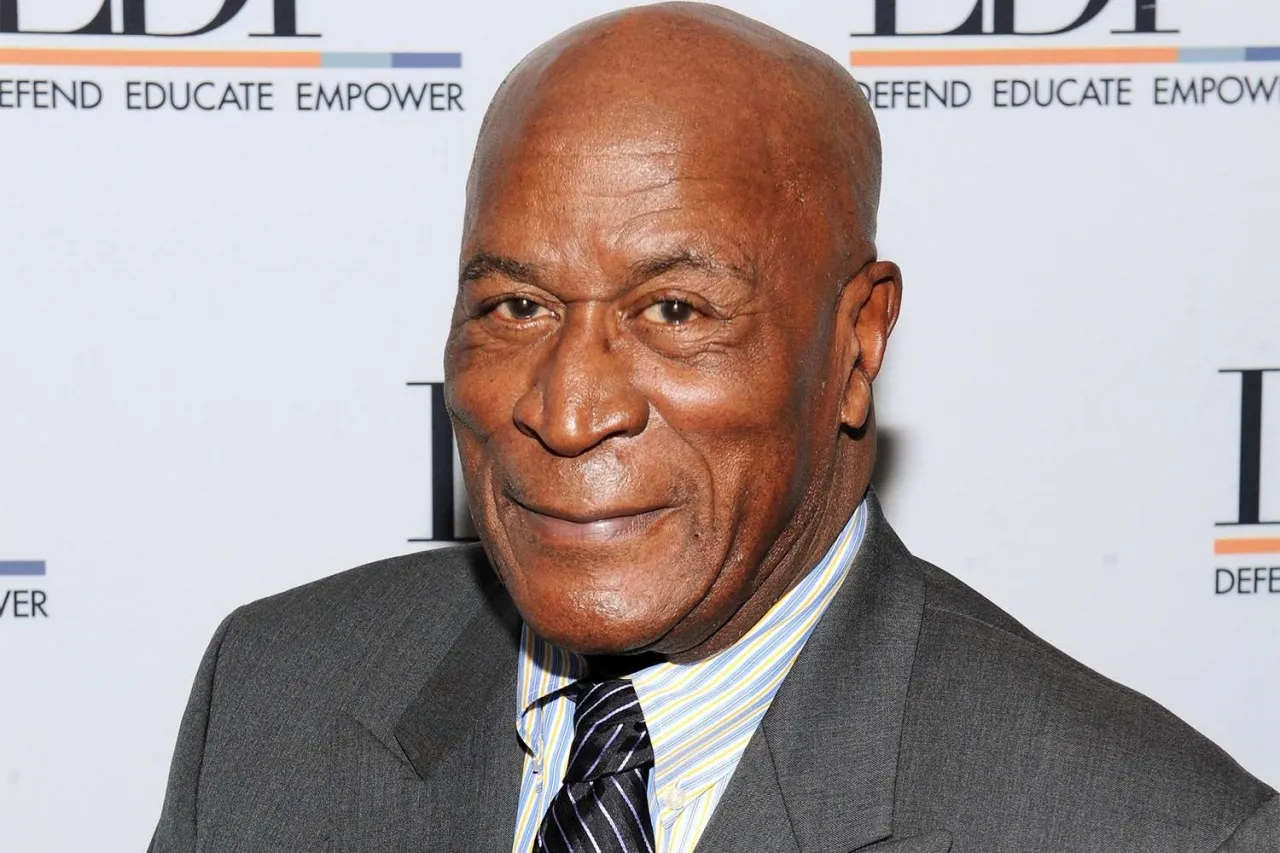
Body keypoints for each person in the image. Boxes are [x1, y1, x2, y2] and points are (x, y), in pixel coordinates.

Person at [150, 4, 1278, 852]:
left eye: (675, 312)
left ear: (855, 343)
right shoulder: (273, 698)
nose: (567, 410)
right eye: (516, 307)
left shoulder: (1149, 826)